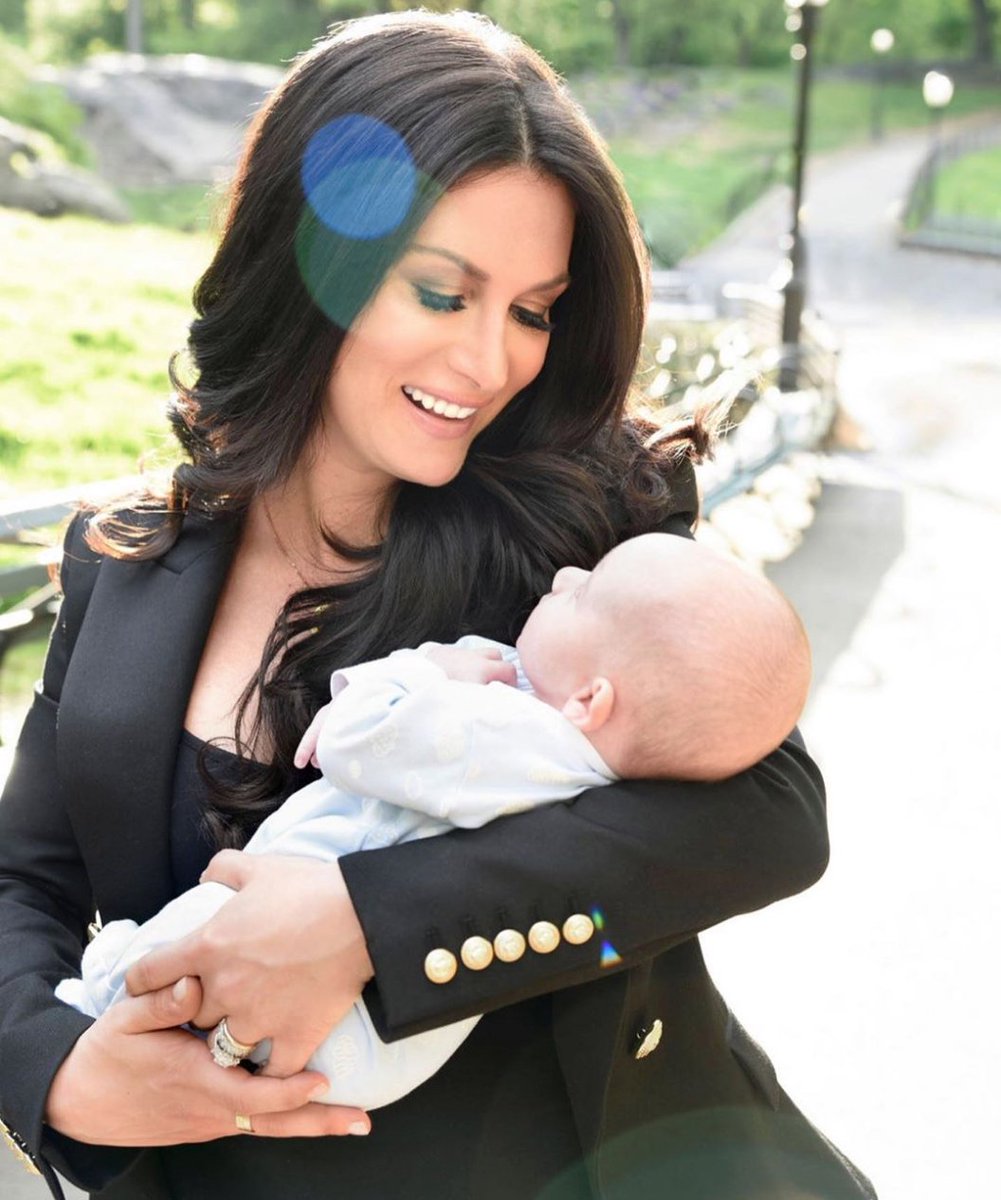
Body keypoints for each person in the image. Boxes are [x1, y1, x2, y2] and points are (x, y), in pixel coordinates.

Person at [0, 10, 876, 1200]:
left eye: (529, 310)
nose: (486, 362)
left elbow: (771, 815)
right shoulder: (125, 560)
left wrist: (370, 920)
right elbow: (22, 884)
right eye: (438, 291)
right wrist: (56, 1077)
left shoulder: (584, 544)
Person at [53, 533, 812, 1112]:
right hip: (380, 1057)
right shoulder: (588, 765)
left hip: (330, 1007)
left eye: (582, 595)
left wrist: (420, 674)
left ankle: (106, 988)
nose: (564, 575)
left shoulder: (505, 731)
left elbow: (361, 743)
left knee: (185, 941)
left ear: (589, 701)